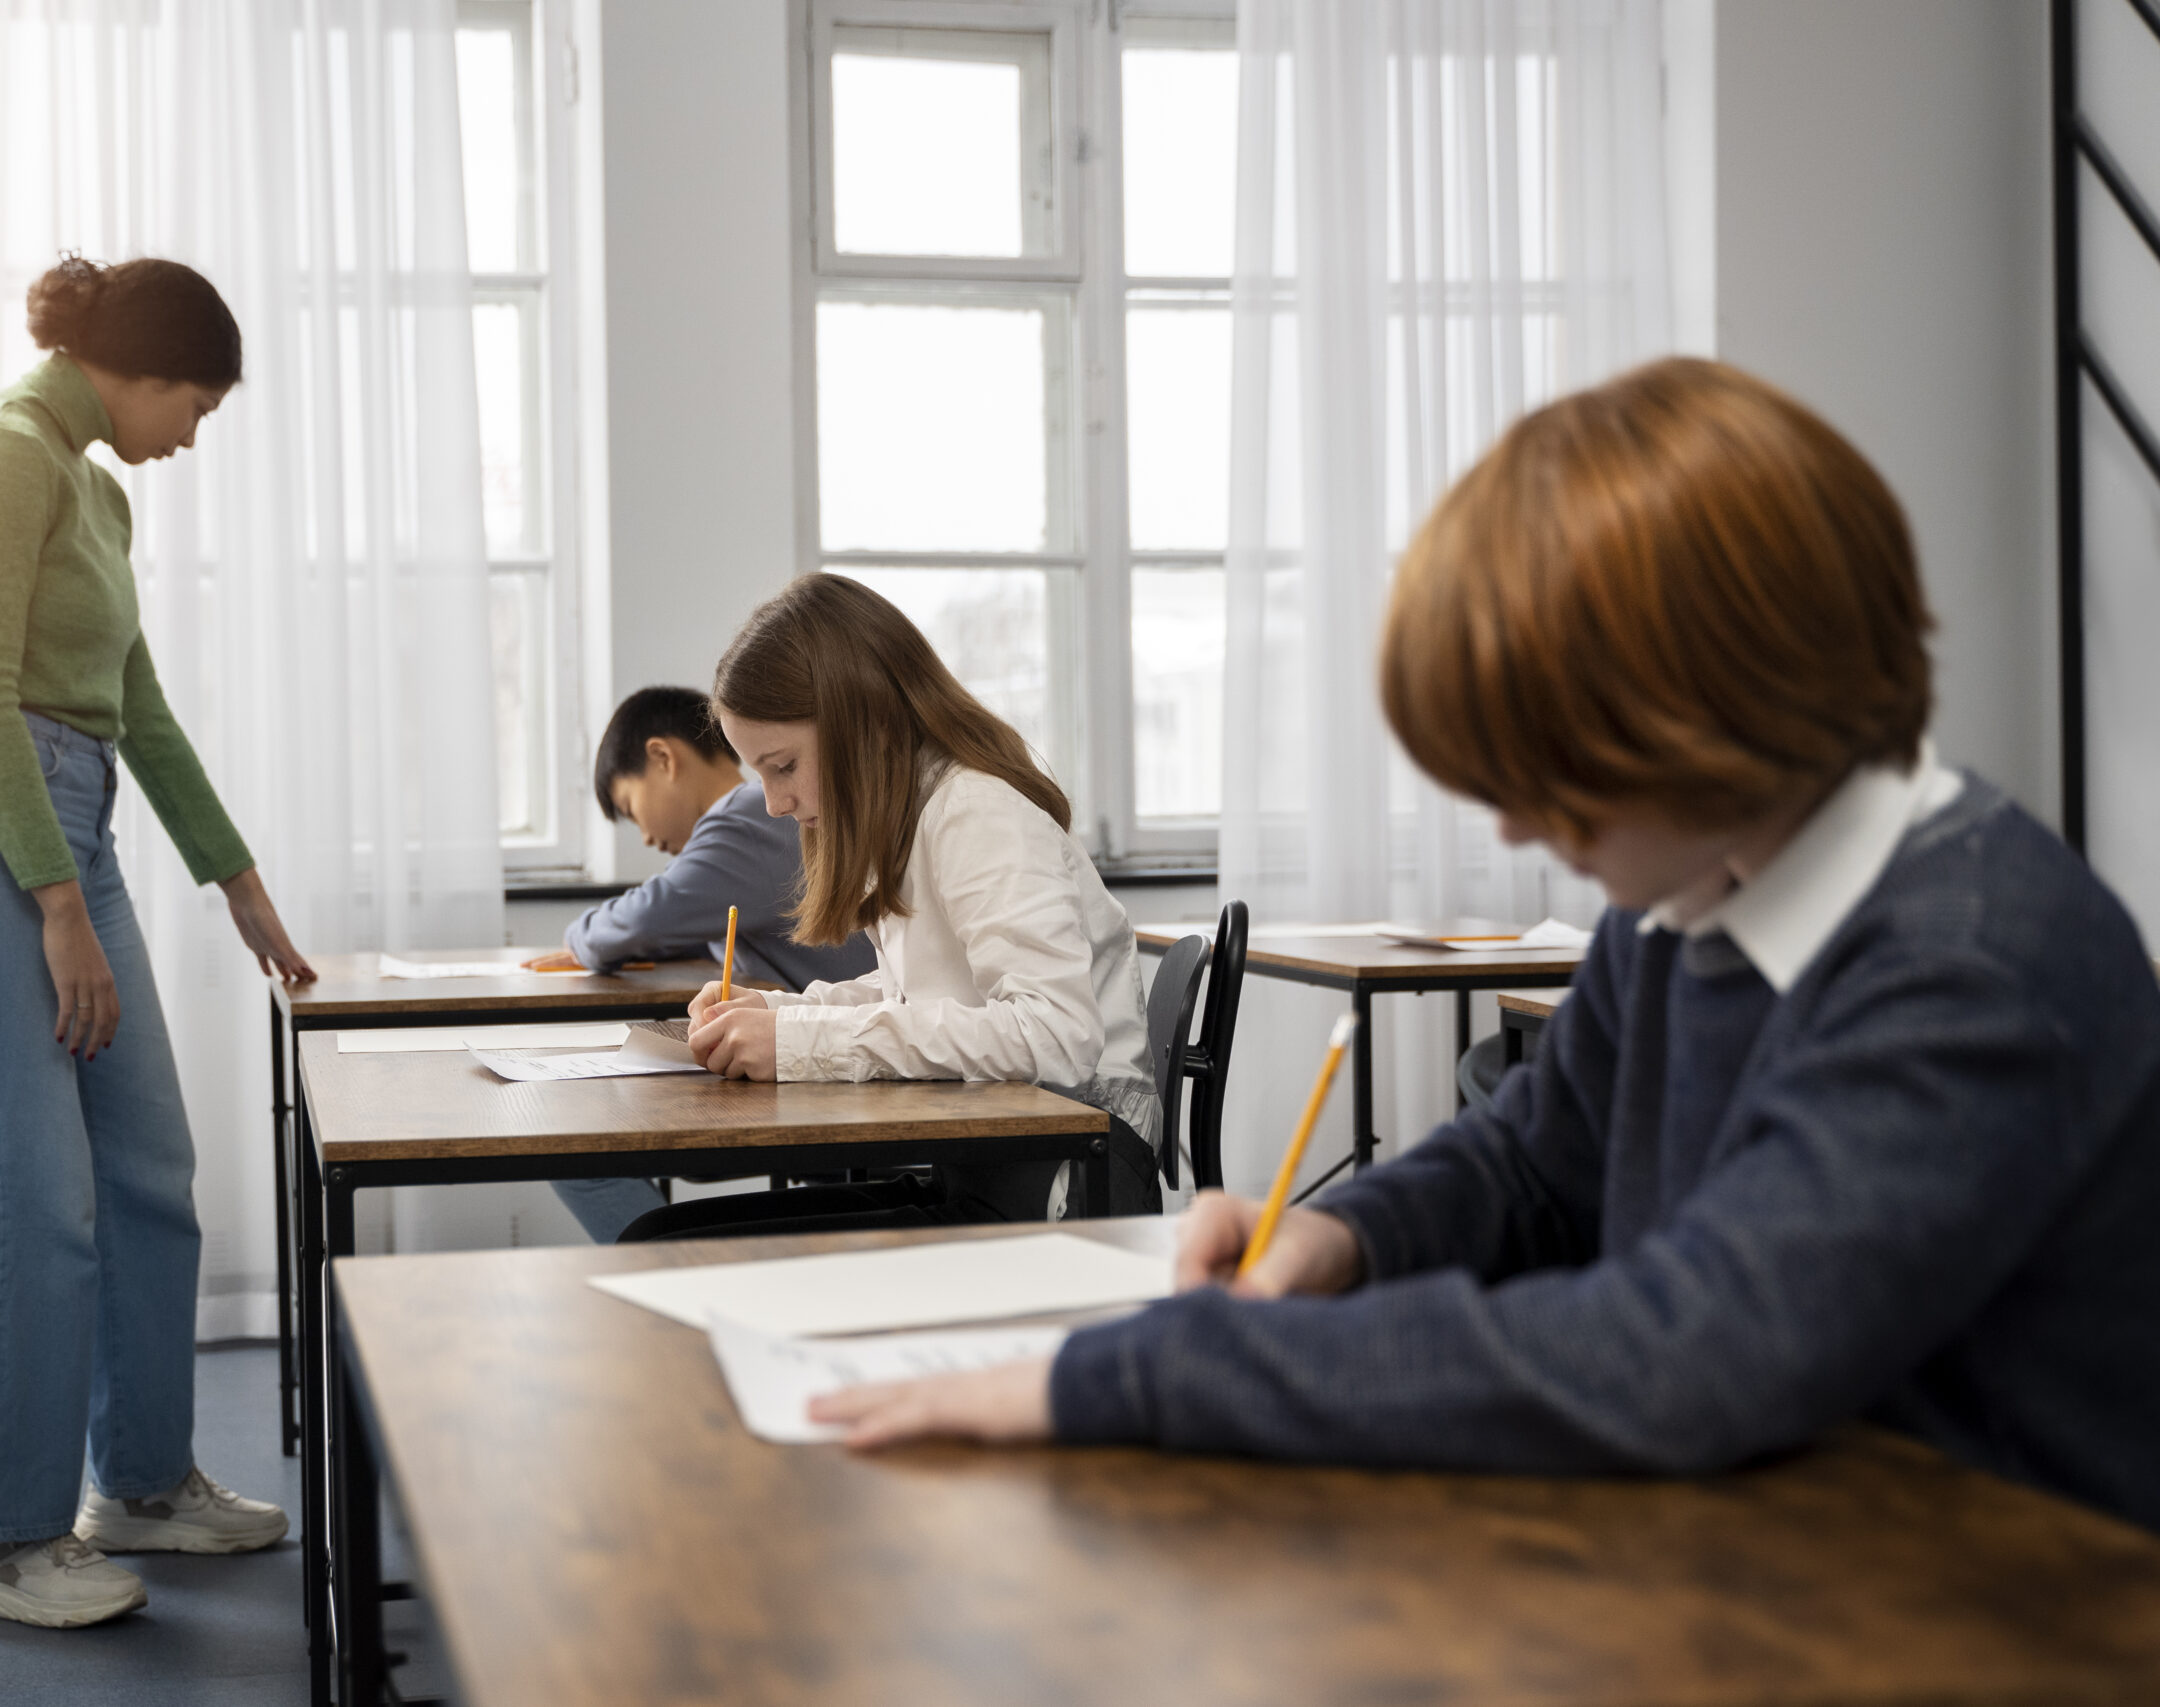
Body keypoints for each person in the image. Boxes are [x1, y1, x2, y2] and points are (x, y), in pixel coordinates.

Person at [809, 358, 2160, 1537]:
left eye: (1556, 768)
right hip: (1784, 1547)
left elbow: (1690, 1353)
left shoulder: (1974, 962)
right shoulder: (1691, 901)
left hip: (2007, 1608)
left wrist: (1131, 1375)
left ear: (1723, 709)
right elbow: (1529, 1157)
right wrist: (1339, 1238)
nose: (1515, 818)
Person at [0, 255, 315, 1627]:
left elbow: (141, 709)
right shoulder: (6, 453)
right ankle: (4, 1542)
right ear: (138, 368)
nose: (194, 430)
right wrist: (57, 902)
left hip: (78, 822)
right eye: (195, 399)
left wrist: (236, 879)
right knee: (24, 1195)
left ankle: (140, 1481)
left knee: (146, 1168)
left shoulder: (96, 487)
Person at [622, 574, 1162, 1241]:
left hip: (1067, 1187)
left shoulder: (976, 809)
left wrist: (800, 1042)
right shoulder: (917, 813)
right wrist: (781, 1013)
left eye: (783, 765)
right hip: (992, 1165)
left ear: (863, 720)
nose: (772, 802)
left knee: (660, 1247)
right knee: (654, 1237)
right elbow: (927, 993)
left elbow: (1056, 1035)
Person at [541, 685, 877, 1242]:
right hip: (821, 1058)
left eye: (632, 808)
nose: (646, 836)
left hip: (841, 1073)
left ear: (663, 758)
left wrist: (578, 936)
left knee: (571, 1143)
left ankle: (666, 1272)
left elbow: (644, 920)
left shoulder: (746, 820)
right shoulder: (757, 824)